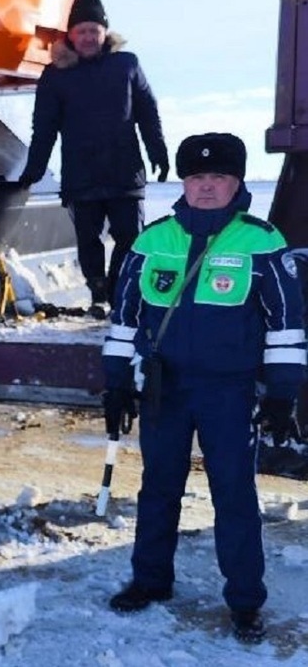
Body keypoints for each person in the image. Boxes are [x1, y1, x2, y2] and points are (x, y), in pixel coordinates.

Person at [102, 132, 307, 643]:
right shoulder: (152, 241)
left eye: (218, 177)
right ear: (184, 183)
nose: (207, 187)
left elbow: (285, 323)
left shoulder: (263, 242)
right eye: (197, 177)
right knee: (158, 488)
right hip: (164, 390)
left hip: (228, 392)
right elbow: (124, 319)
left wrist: (283, 392)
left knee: (234, 494)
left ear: (237, 182)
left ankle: (244, 601)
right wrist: (116, 384)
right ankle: (150, 581)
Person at [20, 0, 169, 315]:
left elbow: (147, 111)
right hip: (81, 174)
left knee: (130, 237)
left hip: (124, 171)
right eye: (81, 31)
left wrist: (158, 150)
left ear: (105, 33)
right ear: (71, 35)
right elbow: (44, 129)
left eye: (94, 30)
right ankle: (97, 292)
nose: (88, 37)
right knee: (88, 239)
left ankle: (117, 291)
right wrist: (34, 170)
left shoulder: (126, 65)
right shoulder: (56, 75)